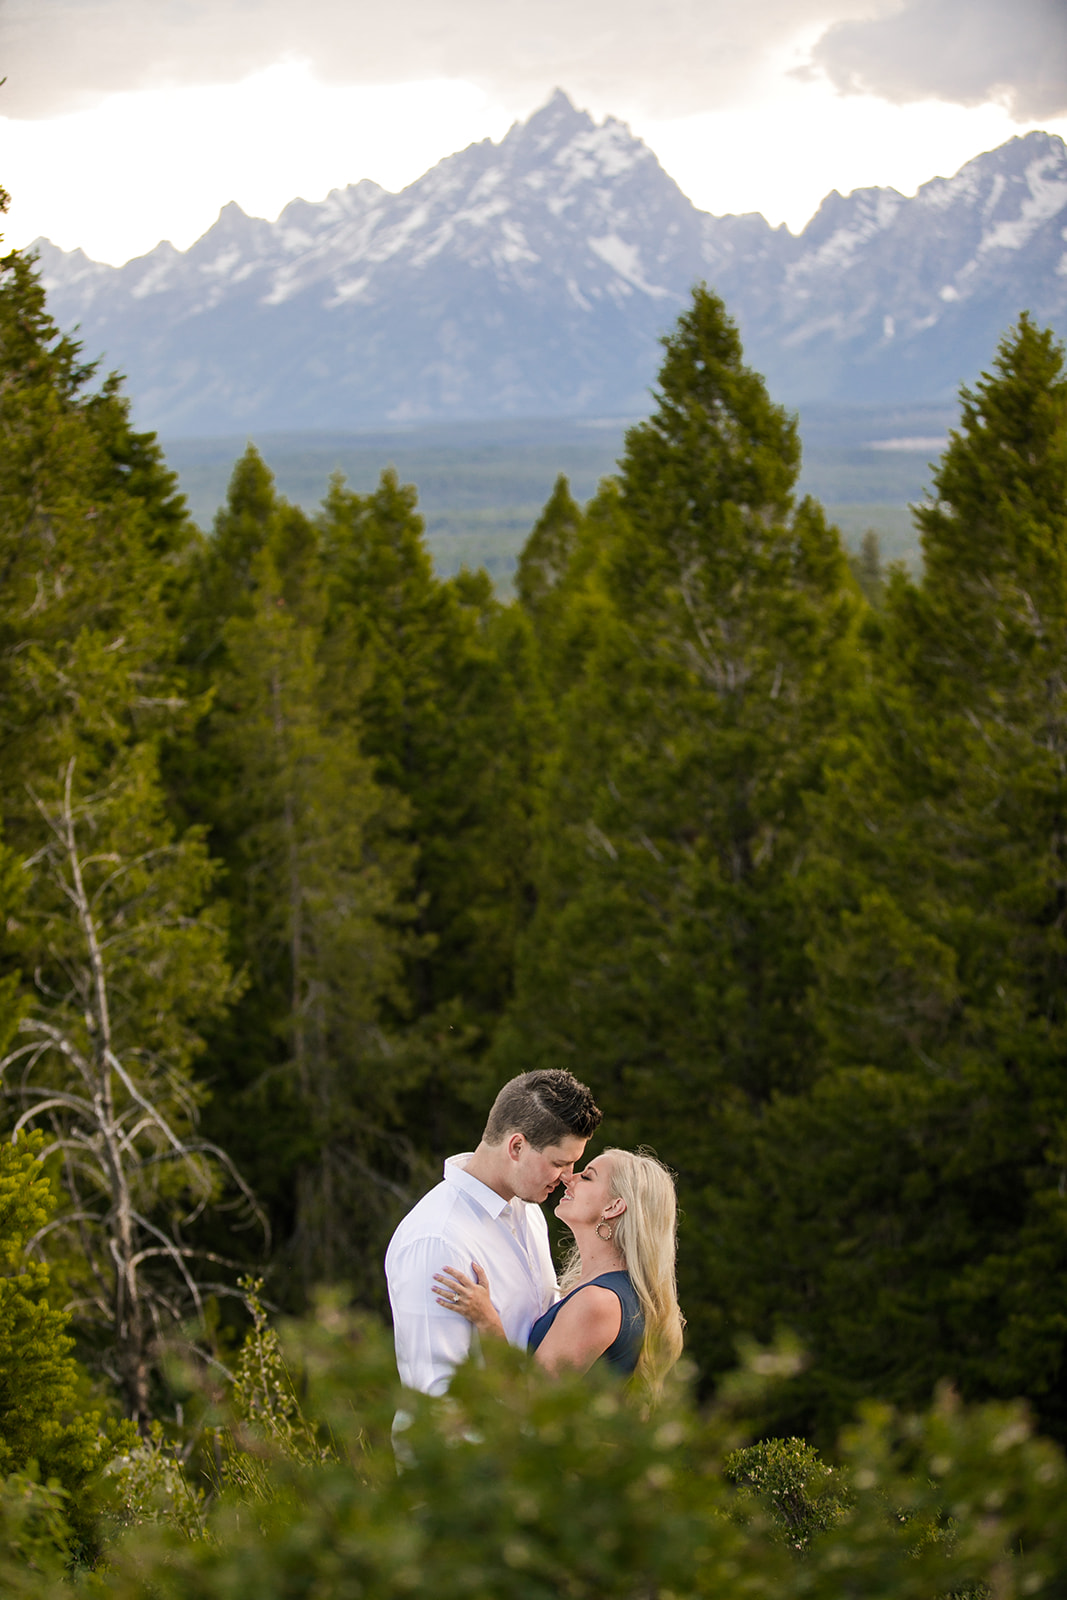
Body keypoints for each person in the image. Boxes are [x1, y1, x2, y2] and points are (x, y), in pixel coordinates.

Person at [385, 1069, 602, 1395]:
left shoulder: (529, 1213)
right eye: (559, 1164)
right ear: (516, 1147)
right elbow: (437, 1398)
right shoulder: (439, 1240)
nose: (568, 1178)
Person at [434, 1147, 684, 1393]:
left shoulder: (598, 1302)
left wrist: (486, 1319)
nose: (569, 1178)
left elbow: (530, 1401)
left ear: (614, 1207)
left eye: (587, 1176)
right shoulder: (610, 1291)